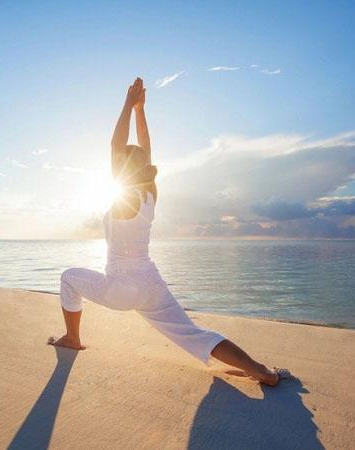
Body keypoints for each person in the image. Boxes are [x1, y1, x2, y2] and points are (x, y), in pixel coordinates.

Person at [49, 77, 287, 386]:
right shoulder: (149, 194)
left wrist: (128, 104)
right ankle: (261, 371)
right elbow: (146, 151)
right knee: (195, 334)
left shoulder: (126, 196)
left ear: (124, 170)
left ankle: (72, 338)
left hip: (121, 285)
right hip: (151, 282)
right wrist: (140, 110)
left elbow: (116, 146)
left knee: (69, 278)